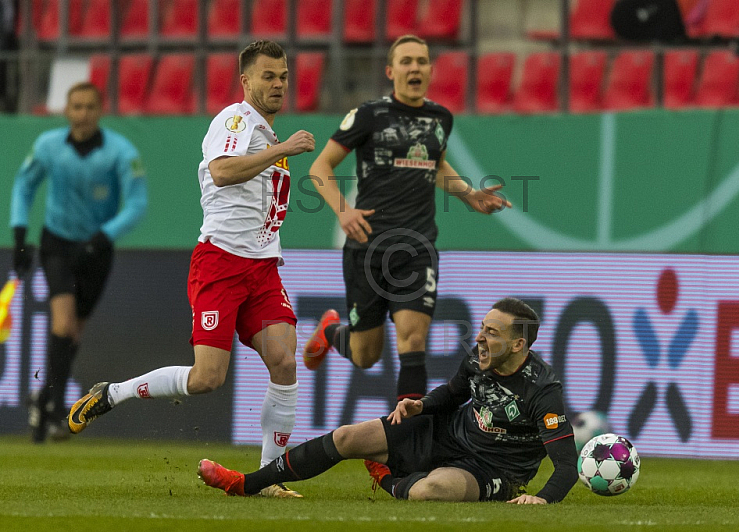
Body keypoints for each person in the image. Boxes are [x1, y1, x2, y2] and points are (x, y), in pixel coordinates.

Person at [67, 40, 315, 497]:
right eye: (267, 76)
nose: (278, 83)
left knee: (283, 361)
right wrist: (284, 149)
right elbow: (221, 171)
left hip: (261, 268)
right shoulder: (236, 119)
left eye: (283, 75)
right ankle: (112, 393)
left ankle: (267, 479)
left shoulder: (266, 132)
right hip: (220, 262)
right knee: (206, 379)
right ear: (246, 81)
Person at [199, 298, 579, 504]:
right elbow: (452, 395)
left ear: (518, 345)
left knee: (429, 491)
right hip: (447, 434)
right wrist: (421, 406)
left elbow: (566, 466)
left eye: (491, 333)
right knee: (348, 438)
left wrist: (542, 500)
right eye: (481, 328)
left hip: (495, 471)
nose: (479, 338)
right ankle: (245, 484)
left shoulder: (542, 391)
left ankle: (388, 478)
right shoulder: (477, 359)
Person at [302, 35, 511, 404]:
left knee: (413, 340)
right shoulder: (369, 115)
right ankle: (331, 332)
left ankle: (403, 446)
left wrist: (468, 194)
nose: (415, 67)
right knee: (366, 355)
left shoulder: (440, 118)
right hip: (367, 244)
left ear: (430, 70)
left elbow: (437, 164)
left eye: (422, 61)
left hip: (417, 246)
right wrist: (342, 211)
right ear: (390, 71)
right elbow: (320, 166)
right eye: (406, 61)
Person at [9, 81, 148, 442]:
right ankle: (56, 411)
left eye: (89, 107)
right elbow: (24, 187)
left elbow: (137, 203)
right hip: (57, 244)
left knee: (74, 333)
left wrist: (104, 235)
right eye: (76, 107)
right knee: (62, 322)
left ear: (98, 111)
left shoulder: (120, 152)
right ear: (66, 111)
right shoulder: (48, 146)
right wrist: (21, 236)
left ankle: (42, 399)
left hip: (96, 250)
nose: (83, 114)